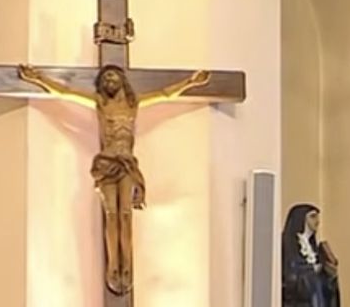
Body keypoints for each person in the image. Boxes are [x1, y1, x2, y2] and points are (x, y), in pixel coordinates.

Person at [15, 63, 210, 294]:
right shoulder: (101, 103)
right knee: (111, 216)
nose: (109, 81)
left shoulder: (132, 103)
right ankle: (112, 266)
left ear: (122, 81)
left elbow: (165, 95)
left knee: (125, 215)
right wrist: (37, 79)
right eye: (105, 78)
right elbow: (65, 93)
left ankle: (126, 265)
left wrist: (191, 82)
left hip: (126, 164)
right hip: (107, 164)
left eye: (113, 77)